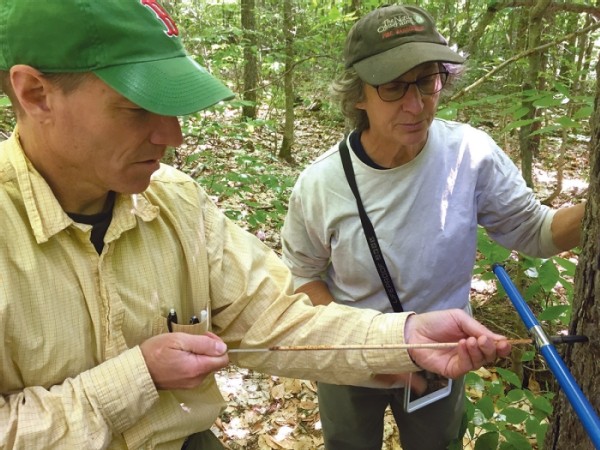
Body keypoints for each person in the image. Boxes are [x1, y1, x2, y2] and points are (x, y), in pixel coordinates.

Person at [0, 1, 512, 449]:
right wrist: (137, 377)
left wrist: (406, 336)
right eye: (139, 109)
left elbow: (277, 317)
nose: (171, 134)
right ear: (36, 93)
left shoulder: (178, 205)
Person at [280, 4, 586, 450]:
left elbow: (536, 230)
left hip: (442, 359)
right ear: (358, 95)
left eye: (427, 80)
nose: (416, 103)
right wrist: (367, 351)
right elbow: (302, 277)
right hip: (352, 363)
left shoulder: (470, 154)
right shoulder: (322, 183)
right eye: (393, 87)